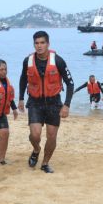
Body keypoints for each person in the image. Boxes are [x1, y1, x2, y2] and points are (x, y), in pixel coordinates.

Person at [18, 31, 74, 173]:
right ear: (34, 44)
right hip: (35, 102)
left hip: (54, 102)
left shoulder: (58, 61)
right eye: (36, 43)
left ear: (48, 44)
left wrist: (66, 105)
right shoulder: (28, 61)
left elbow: (70, 83)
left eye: (42, 43)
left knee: (51, 136)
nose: (39, 46)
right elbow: (23, 80)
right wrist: (20, 99)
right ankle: (36, 149)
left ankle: (45, 162)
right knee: (35, 135)